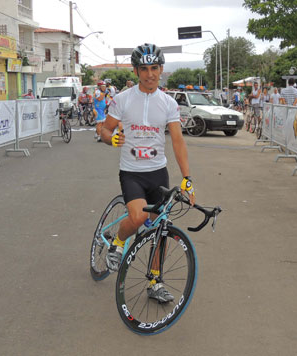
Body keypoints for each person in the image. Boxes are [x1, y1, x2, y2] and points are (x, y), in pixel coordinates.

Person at [100, 43, 195, 303]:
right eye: (144, 69)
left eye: (155, 68)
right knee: (140, 217)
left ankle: (154, 281)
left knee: (161, 229)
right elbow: (104, 130)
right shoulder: (123, 99)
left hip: (158, 173)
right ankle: (119, 242)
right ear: (135, 71)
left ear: (161, 69)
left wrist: (187, 179)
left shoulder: (168, 103)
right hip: (132, 172)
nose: (150, 74)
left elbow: (177, 141)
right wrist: (112, 139)